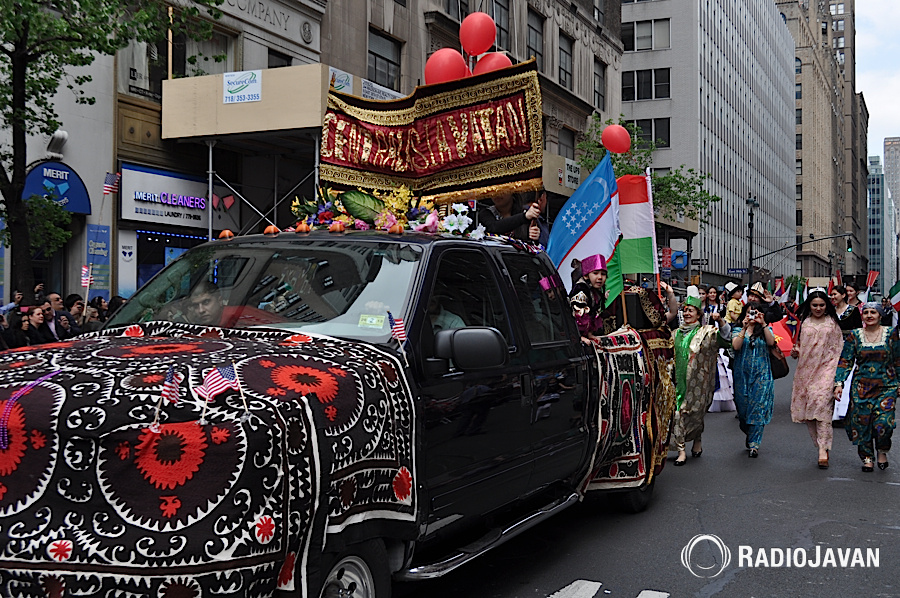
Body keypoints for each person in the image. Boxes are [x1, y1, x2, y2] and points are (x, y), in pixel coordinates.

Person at [670, 286, 732, 465]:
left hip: (698, 383)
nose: (687, 313)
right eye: (685, 310)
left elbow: (725, 339)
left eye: (690, 310)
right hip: (678, 383)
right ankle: (681, 450)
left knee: (696, 414)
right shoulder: (675, 334)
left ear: (698, 314)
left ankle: (697, 440)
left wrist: (720, 321)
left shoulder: (706, 332)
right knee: (678, 413)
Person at [834, 302, 896, 472]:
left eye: (873, 312)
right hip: (861, 387)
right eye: (866, 312)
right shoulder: (855, 335)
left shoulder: (891, 334)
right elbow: (845, 361)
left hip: (887, 386)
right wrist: (839, 383)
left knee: (884, 424)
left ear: (880, 315)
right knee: (863, 423)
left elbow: (898, 360)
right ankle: (867, 457)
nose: (869, 315)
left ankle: (882, 450)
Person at [790, 289, 844, 469]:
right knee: (810, 414)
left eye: (822, 305)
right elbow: (797, 347)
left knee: (821, 407)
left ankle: (823, 449)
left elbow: (839, 348)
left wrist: (839, 376)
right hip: (805, 372)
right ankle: (820, 443)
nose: (818, 308)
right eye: (815, 305)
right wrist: (795, 352)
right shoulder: (803, 323)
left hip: (827, 370)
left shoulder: (832, 324)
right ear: (809, 306)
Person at [731, 302, 777, 457]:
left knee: (758, 408)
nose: (752, 316)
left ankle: (754, 444)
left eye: (755, 313)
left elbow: (771, 343)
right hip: (741, 375)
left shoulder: (765, 330)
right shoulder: (737, 330)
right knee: (743, 410)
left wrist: (763, 324)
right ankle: (749, 433)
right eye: (749, 313)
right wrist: (745, 328)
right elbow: (736, 346)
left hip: (762, 374)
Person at [830, 285, 862, 424]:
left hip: (848, 347)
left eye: (835, 294)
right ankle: (831, 411)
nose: (833, 297)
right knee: (831, 377)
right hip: (831, 348)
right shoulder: (830, 312)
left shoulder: (853, 310)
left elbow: (858, 329)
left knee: (846, 379)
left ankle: (842, 412)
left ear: (843, 295)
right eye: (831, 294)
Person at [569, 254, 608, 341]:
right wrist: (579, 336)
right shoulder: (580, 289)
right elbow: (578, 316)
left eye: (603, 274)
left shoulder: (594, 291)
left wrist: (590, 334)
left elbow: (593, 314)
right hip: (572, 333)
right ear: (586, 275)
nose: (600, 277)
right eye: (595, 273)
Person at [477, 192, 542, 241]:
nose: (496, 194)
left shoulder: (526, 213)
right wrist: (524, 217)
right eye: (493, 190)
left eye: (502, 189)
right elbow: (494, 227)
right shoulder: (485, 213)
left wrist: (534, 235)